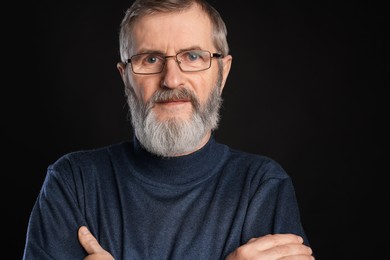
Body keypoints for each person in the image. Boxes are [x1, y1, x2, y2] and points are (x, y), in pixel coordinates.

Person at [23, 0, 314, 259]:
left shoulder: (262, 187)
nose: (171, 80)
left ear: (222, 73)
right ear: (126, 79)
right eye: (150, 59)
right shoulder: (74, 183)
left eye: (193, 57)